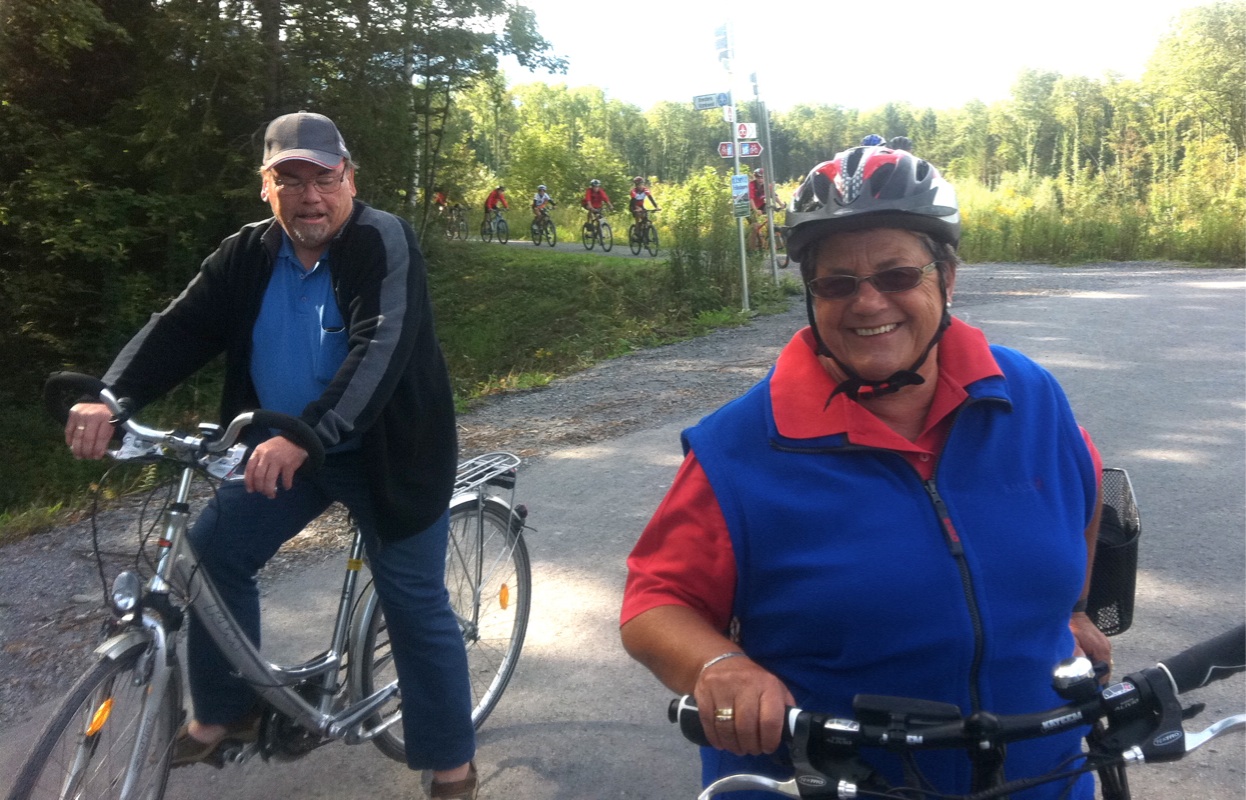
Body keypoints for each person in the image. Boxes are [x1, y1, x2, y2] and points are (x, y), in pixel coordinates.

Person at [620, 145, 1111, 799]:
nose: (868, 302)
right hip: (836, 781)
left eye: (898, 275)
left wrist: (1072, 612)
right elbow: (654, 602)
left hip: (1046, 776)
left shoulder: (1026, 395)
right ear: (812, 295)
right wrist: (719, 665)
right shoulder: (741, 446)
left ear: (947, 278)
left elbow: (1088, 494)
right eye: (837, 283)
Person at [65, 111, 479, 799]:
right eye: (291, 180)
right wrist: (110, 398)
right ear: (267, 187)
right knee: (212, 552)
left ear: (349, 180)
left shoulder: (382, 240)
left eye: (325, 178)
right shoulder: (247, 253)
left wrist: (307, 433)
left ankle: (452, 767)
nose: (311, 196)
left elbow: (380, 346)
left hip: (390, 455)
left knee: (413, 602)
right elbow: (179, 327)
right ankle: (227, 711)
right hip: (286, 450)